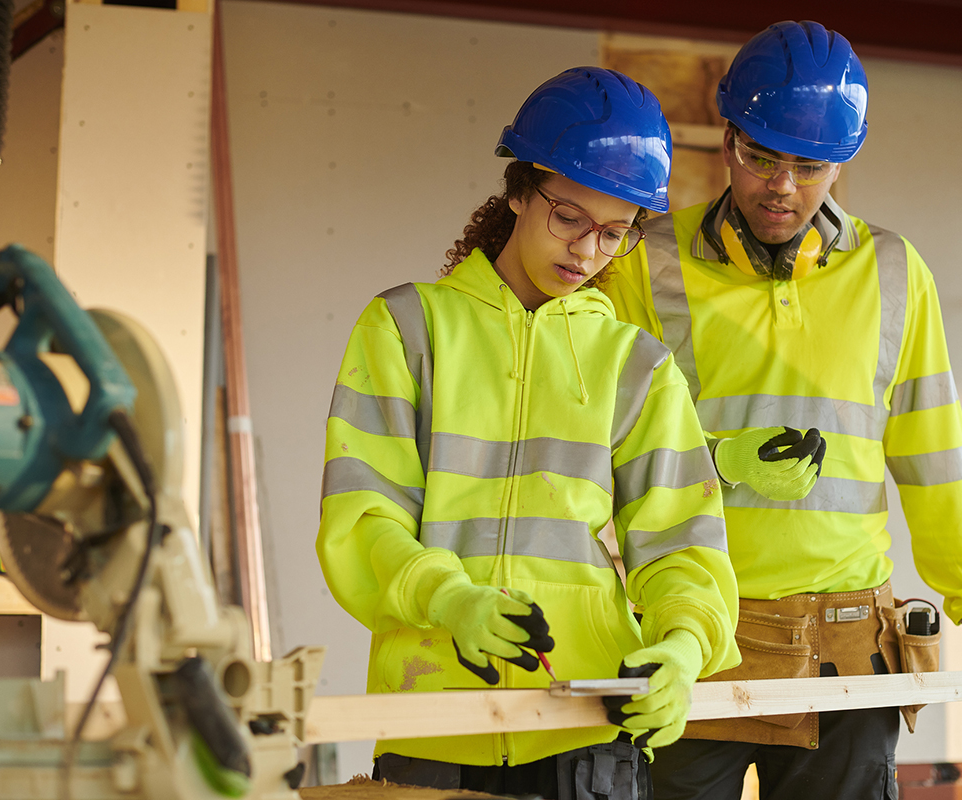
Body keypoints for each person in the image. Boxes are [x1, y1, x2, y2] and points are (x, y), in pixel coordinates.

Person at [602, 21, 962, 800]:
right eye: (761, 157)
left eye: (810, 165)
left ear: (842, 162)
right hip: (693, 640)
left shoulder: (894, 274)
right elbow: (601, 449)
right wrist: (718, 459)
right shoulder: (644, 264)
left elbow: (937, 461)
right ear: (727, 141)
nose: (781, 186)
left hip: (848, 650)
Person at [316, 67, 744, 800]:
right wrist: (449, 600)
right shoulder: (405, 329)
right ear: (518, 190)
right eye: (568, 217)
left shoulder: (633, 364)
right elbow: (362, 518)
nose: (587, 252)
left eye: (615, 233)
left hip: (589, 736)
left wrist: (681, 645)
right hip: (433, 722)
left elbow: (682, 545)